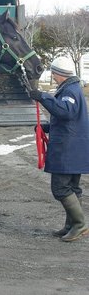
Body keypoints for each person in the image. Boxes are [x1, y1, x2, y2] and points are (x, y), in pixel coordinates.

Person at [30, 56, 89, 242]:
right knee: (73, 188)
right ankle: (71, 225)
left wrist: (43, 96)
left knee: (61, 188)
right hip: (74, 148)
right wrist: (47, 128)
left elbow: (65, 111)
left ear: (59, 74)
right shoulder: (73, 88)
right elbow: (69, 118)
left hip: (68, 150)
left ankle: (80, 224)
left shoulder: (70, 91)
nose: (53, 77)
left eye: (54, 74)